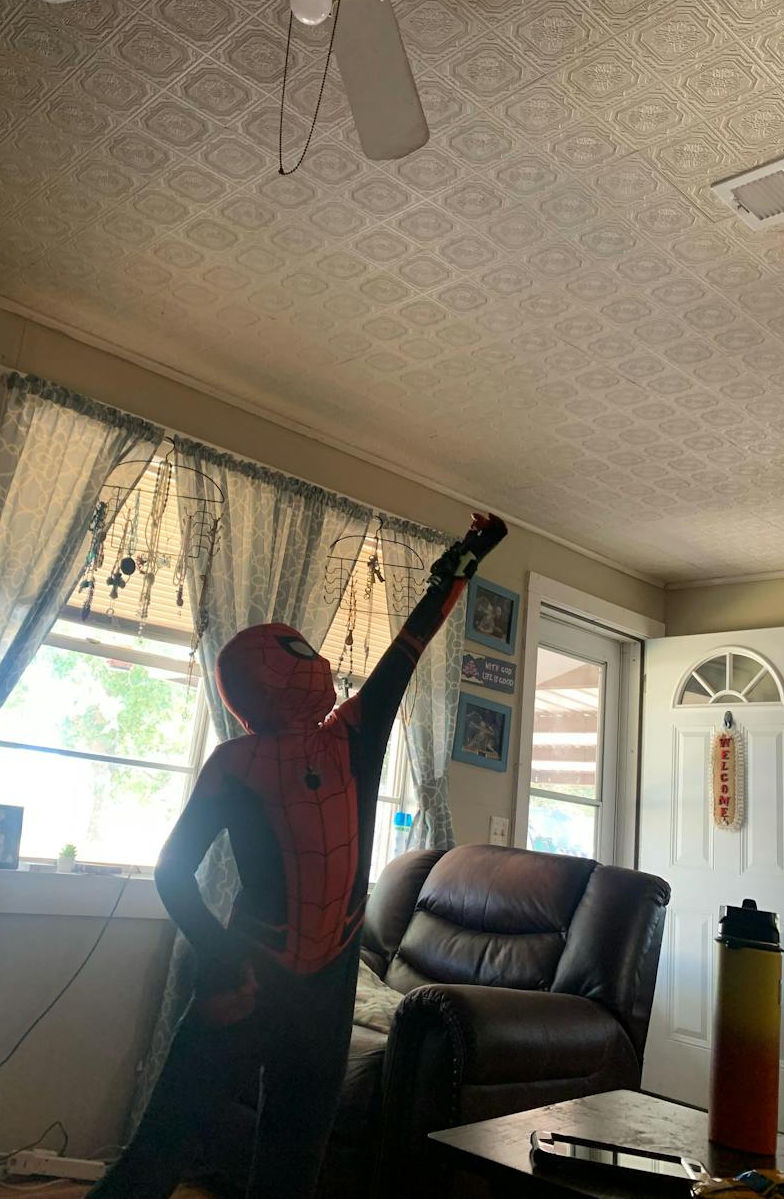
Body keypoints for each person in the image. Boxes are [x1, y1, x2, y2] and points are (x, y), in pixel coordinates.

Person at [88, 513, 507, 1199]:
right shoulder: (238, 762)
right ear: (262, 681)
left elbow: (408, 646)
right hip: (249, 975)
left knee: (290, 1166)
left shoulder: (350, 735)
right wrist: (220, 957)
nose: (319, 663)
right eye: (298, 653)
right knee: (161, 1147)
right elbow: (172, 868)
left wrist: (464, 560)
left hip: (321, 984)